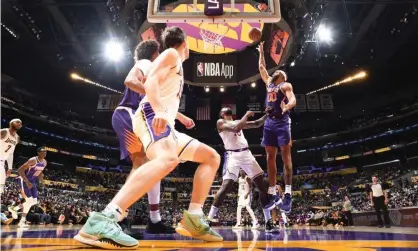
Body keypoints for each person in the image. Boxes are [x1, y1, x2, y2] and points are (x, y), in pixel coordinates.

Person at [75, 26, 222, 249]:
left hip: (167, 124)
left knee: (211, 157)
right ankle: (104, 219)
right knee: (167, 160)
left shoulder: (175, 66)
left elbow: (160, 89)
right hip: (150, 114)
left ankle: (193, 217)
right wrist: (161, 111)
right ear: (185, 43)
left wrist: (176, 116)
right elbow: (151, 81)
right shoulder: (172, 54)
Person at [112, 39, 176, 236]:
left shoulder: (150, 68)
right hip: (130, 114)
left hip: (134, 115)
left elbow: (153, 99)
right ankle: (115, 217)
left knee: (153, 165)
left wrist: (179, 115)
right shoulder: (146, 63)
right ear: (156, 53)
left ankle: (154, 220)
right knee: (142, 164)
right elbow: (130, 81)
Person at [207, 108, 279, 232]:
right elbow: (236, 128)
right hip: (232, 156)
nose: (227, 108)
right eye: (225, 109)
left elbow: (257, 123)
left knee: (262, 187)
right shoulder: (220, 122)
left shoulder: (238, 121)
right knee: (226, 186)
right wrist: (246, 114)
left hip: (246, 154)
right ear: (222, 114)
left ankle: (268, 223)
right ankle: (208, 220)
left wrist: (268, 114)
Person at [258, 41, 296, 213]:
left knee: (285, 157)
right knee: (269, 158)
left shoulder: (285, 85)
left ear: (283, 77)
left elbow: (292, 98)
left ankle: (288, 194)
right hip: (269, 122)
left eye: (280, 71)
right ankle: (273, 192)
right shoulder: (269, 85)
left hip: (282, 122)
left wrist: (287, 106)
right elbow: (262, 69)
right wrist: (260, 52)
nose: (277, 72)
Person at [16, 147, 47, 228]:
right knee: (29, 201)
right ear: (38, 152)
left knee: (34, 202)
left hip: (32, 181)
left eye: (46, 151)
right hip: (24, 179)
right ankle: (21, 221)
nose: (45, 152)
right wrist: (27, 181)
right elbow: (19, 170)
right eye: (43, 151)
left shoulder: (44, 162)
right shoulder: (33, 160)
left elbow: (40, 172)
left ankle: (15, 209)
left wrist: (41, 181)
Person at [0, 118, 22, 194]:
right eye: (17, 122)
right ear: (11, 123)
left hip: (2, 162)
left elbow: (11, 153)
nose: (19, 124)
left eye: (20, 123)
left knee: (1, 188)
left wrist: (10, 167)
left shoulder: (17, 138)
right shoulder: (3, 132)